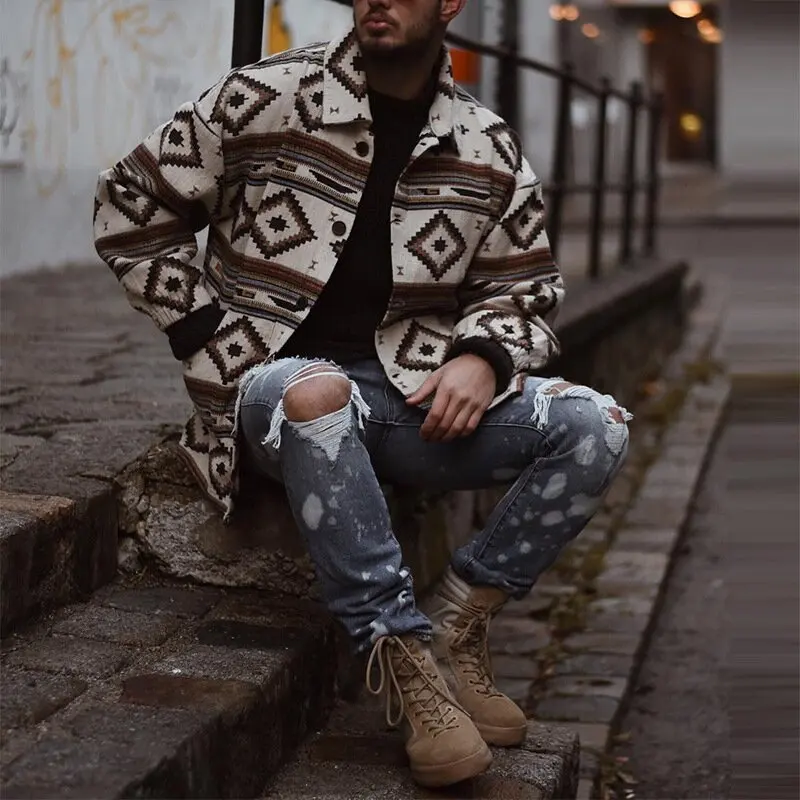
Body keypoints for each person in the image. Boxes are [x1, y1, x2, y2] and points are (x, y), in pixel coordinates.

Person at [94, 0, 630, 788]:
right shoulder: (267, 96)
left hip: (409, 401)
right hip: (274, 389)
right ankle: (405, 662)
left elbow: (524, 290)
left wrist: (483, 357)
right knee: (318, 393)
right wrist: (206, 333)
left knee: (597, 426)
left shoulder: (485, 145)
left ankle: (459, 621)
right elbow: (131, 201)